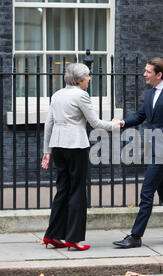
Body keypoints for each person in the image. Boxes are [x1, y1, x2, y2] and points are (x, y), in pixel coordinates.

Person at [112, 57, 163, 249]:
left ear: (159, 74)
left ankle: (135, 236)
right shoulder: (150, 94)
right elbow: (141, 116)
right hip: (154, 148)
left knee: (147, 193)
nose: (144, 74)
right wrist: (123, 123)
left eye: (148, 71)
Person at [41, 62, 121, 251]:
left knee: (62, 189)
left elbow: (48, 124)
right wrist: (114, 125)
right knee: (77, 191)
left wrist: (47, 151)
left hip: (58, 145)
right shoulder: (81, 95)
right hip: (76, 146)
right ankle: (74, 239)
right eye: (87, 76)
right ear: (79, 80)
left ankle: (52, 234)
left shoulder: (57, 95)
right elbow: (94, 122)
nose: (89, 78)